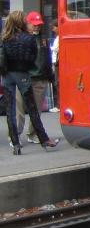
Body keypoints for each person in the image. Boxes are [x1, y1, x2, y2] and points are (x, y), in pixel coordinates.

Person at [1, 10, 59, 154]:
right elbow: (32, 58)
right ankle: (43, 139)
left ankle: (15, 143)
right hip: (24, 75)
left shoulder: (5, 38)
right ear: (22, 22)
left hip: (8, 75)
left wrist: (4, 71)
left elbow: (2, 58)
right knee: (32, 108)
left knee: (11, 110)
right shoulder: (29, 39)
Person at [24, 11, 54, 144]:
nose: (36, 27)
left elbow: (47, 59)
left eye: (38, 24)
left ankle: (32, 133)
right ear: (28, 24)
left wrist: (50, 76)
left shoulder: (44, 39)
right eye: (34, 24)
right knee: (18, 110)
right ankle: (14, 135)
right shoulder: (23, 38)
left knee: (36, 109)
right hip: (25, 77)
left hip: (40, 77)